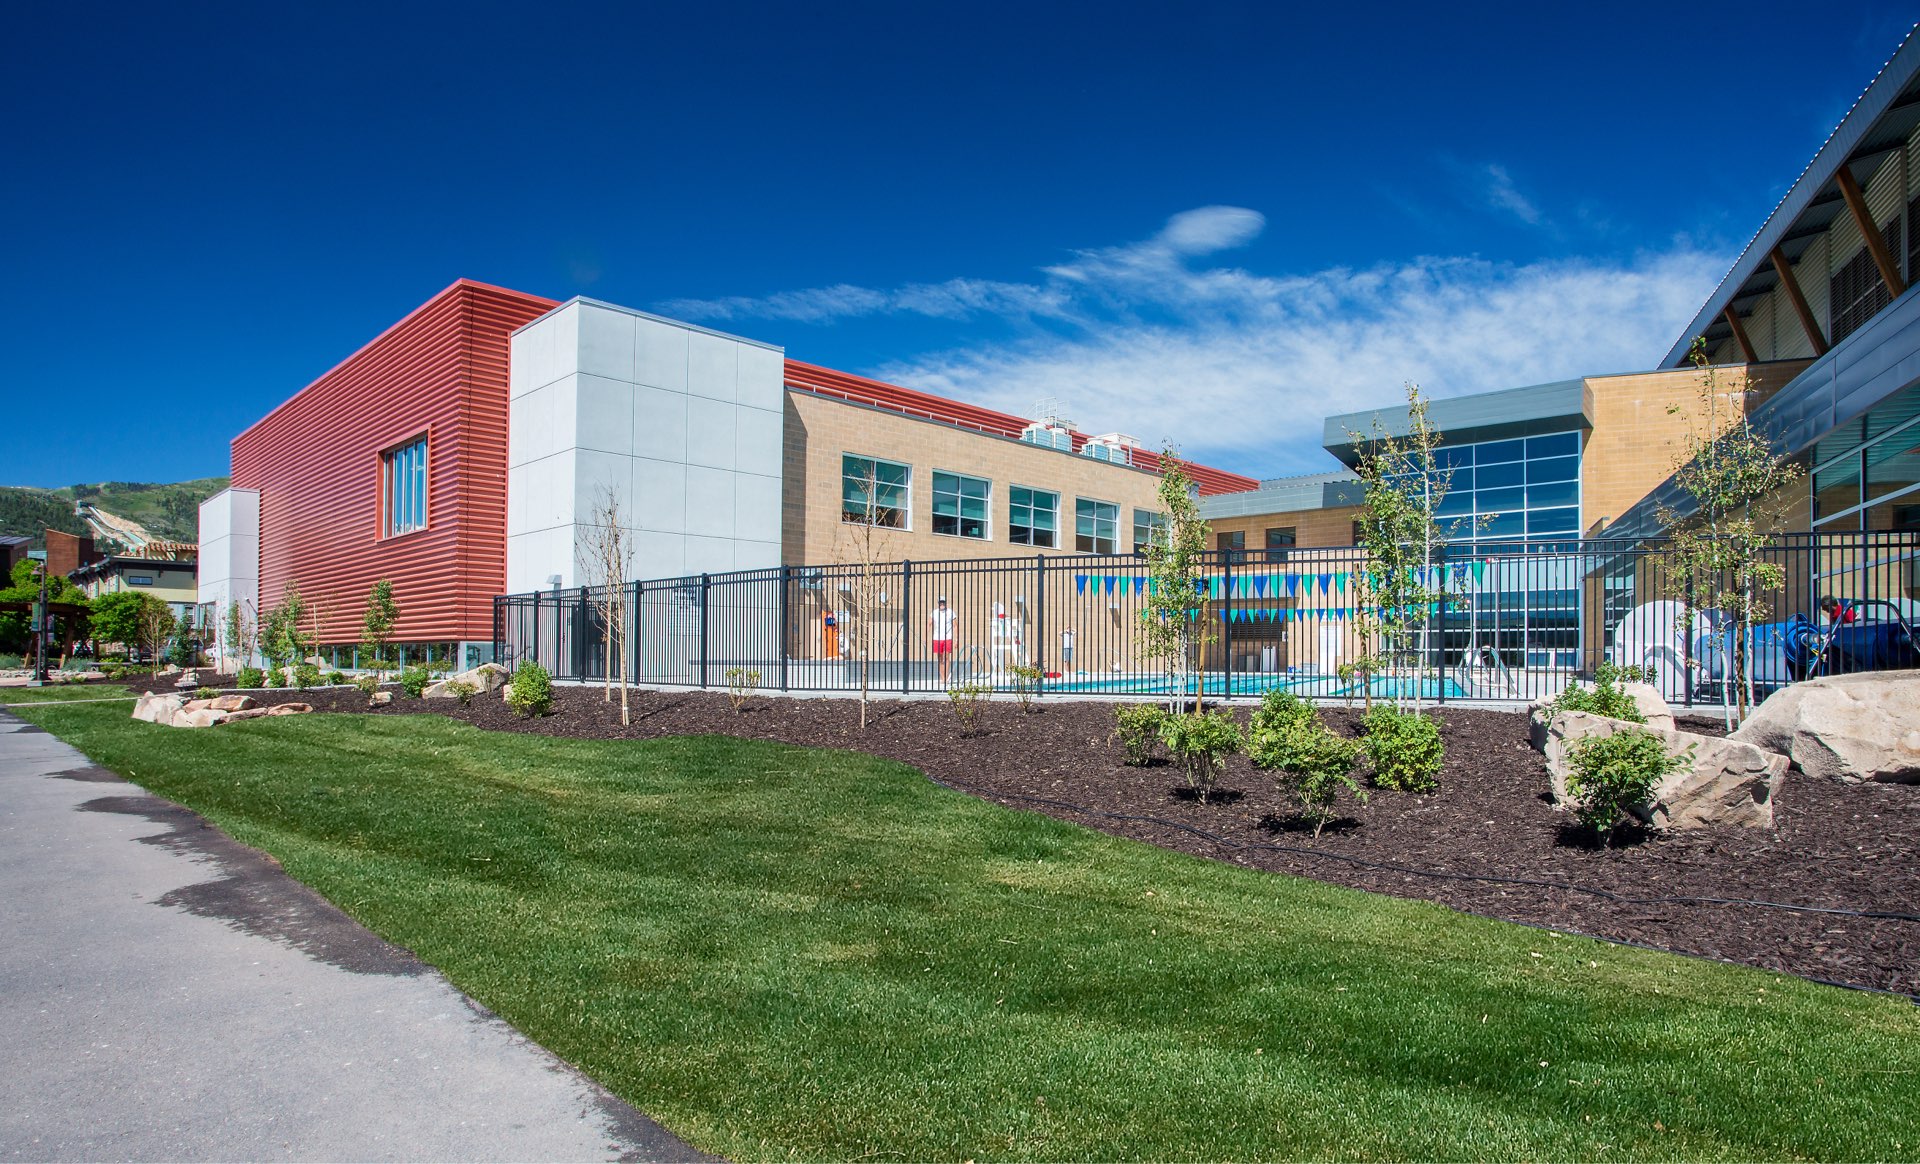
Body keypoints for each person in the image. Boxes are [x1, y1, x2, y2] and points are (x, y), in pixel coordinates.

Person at [929, 596, 957, 684]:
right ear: (938, 603)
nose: (942, 604)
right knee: (940, 658)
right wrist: (925, 637)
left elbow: (955, 626)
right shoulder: (934, 613)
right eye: (940, 602)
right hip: (937, 638)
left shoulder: (950, 612)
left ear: (945, 603)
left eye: (943, 602)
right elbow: (929, 624)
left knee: (947, 657)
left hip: (948, 637)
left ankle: (946, 676)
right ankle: (943, 678)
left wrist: (957, 639)